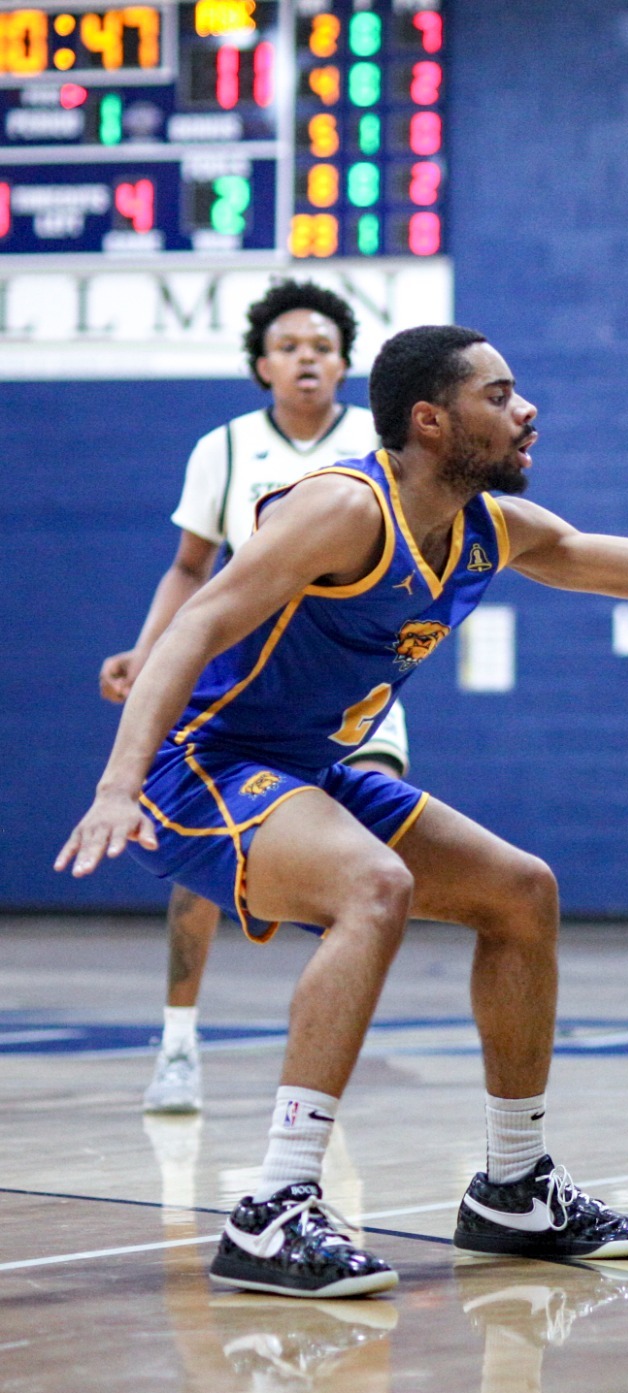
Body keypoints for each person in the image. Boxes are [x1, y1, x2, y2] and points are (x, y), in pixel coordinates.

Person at [57, 324, 628, 1298]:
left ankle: (513, 1186)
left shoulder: (489, 527)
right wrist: (114, 783)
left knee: (520, 891)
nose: (527, 411)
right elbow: (198, 620)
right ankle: (274, 1204)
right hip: (204, 764)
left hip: (309, 763)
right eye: (501, 393)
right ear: (430, 420)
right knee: (373, 886)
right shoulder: (341, 508)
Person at [99, 279, 404, 1116]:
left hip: (352, 693)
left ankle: (318, 1062)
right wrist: (149, 647)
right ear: (262, 364)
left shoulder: (382, 447)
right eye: (289, 346)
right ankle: (178, 1042)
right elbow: (190, 570)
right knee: (203, 870)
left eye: (322, 346)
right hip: (243, 686)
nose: (306, 358)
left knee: (362, 863)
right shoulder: (226, 448)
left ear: (346, 363)